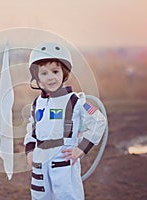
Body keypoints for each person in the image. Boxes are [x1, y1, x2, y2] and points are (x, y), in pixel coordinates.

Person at [24, 42, 107, 200]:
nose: (51, 77)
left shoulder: (75, 101)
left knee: (67, 196)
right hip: (40, 162)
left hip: (63, 159)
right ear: (37, 78)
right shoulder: (37, 103)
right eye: (44, 73)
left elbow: (98, 121)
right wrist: (29, 150)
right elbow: (31, 128)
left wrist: (81, 148)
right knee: (40, 197)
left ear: (64, 73)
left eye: (55, 71)